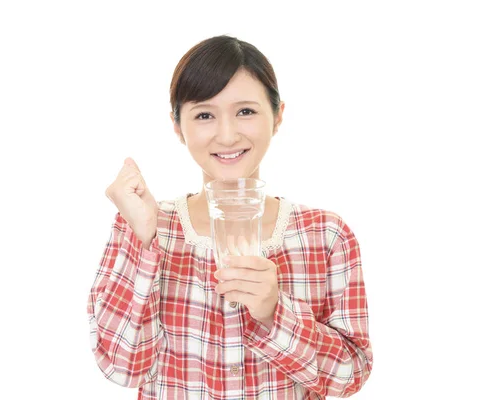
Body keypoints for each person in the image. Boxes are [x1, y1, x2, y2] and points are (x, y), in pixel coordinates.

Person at [87, 34, 373, 399]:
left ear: (278, 115)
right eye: (204, 115)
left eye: (246, 111)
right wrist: (143, 240)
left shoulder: (326, 235)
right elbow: (121, 366)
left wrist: (275, 313)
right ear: (177, 127)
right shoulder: (147, 224)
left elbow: (351, 375)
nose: (226, 135)